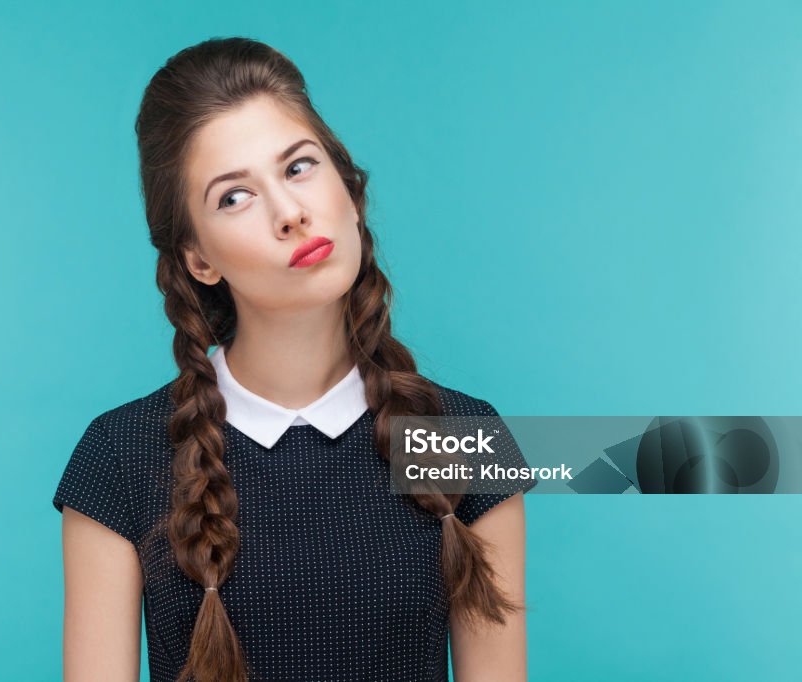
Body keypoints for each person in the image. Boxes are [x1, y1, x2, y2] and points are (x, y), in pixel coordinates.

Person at [53, 36, 536, 682]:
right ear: (199, 260)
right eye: (234, 196)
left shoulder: (466, 440)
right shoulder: (118, 458)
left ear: (349, 187)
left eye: (300, 166)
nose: (290, 214)